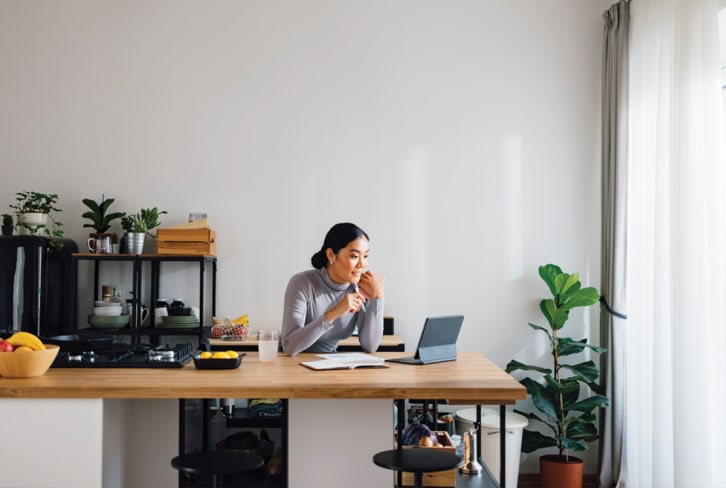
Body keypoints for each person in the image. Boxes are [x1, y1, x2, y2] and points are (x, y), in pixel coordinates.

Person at [281, 222, 385, 356]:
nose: (361, 265)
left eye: (365, 256)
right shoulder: (302, 284)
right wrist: (334, 312)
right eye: (354, 256)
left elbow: (370, 346)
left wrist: (377, 298)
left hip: (331, 366)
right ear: (331, 255)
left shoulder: (360, 288)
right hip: (294, 365)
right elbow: (289, 346)